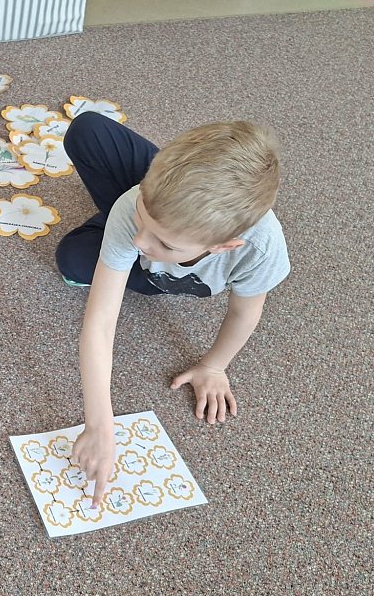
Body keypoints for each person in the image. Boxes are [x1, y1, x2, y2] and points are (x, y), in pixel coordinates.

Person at [56, 112, 289, 507]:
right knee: (89, 132)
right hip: (156, 209)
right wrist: (99, 424)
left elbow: (244, 313)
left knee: (76, 258)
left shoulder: (261, 249)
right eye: (141, 219)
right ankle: (160, 215)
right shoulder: (131, 206)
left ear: (224, 247)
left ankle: (160, 227)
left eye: (164, 242)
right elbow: (99, 324)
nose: (140, 243)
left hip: (173, 272)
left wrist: (214, 366)